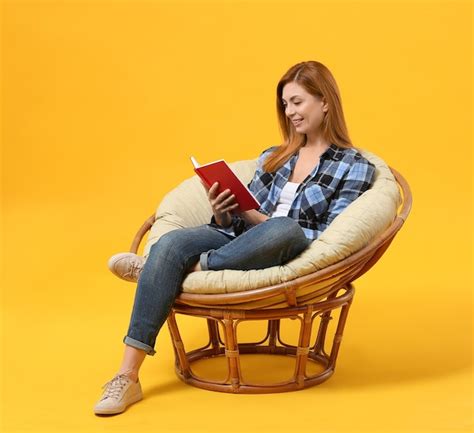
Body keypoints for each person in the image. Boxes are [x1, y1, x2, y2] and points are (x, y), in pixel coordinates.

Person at [94, 60, 376, 415]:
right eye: (285, 105)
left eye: (297, 102)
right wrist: (224, 206)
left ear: (325, 102)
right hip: (233, 237)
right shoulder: (274, 157)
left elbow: (330, 236)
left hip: (284, 246)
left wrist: (256, 218)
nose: (289, 112)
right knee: (169, 243)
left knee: (283, 226)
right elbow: (237, 218)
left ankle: (177, 268)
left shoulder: (354, 166)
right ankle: (127, 376)